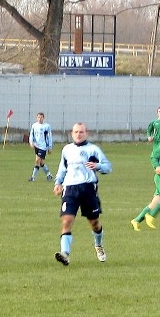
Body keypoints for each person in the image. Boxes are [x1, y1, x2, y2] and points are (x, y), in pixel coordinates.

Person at [52, 122, 112, 266]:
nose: (78, 134)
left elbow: (108, 167)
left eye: (81, 132)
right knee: (66, 221)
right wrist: (58, 183)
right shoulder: (66, 149)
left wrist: (98, 166)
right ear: (72, 133)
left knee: (95, 223)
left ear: (87, 133)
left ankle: (98, 245)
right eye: (76, 132)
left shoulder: (93, 149)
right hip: (70, 189)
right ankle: (65, 254)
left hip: (88, 189)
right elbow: (62, 168)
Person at [28, 111, 54, 182]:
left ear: (43, 118)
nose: (40, 119)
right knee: (41, 162)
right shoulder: (34, 125)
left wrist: (50, 147)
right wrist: (31, 142)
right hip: (36, 146)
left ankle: (33, 177)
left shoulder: (46, 126)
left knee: (37, 161)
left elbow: (49, 137)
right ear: (37, 118)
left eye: (41, 117)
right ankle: (49, 175)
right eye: (38, 117)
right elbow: (31, 134)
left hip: (43, 146)